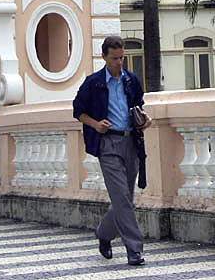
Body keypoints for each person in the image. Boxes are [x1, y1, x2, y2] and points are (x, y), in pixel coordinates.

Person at [72, 35, 151, 266]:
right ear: (104, 56)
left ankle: (104, 234)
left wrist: (144, 119)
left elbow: (138, 106)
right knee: (121, 198)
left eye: (122, 58)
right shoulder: (93, 83)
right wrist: (96, 124)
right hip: (107, 144)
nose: (119, 63)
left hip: (131, 142)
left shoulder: (131, 81)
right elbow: (78, 111)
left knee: (124, 199)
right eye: (115, 58)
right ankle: (134, 250)